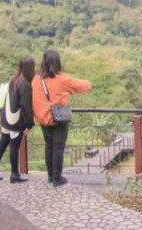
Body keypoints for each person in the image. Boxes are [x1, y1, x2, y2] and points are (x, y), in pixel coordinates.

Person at [32, 50, 91, 187]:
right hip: (59, 118)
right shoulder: (63, 78)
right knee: (58, 148)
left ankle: (51, 176)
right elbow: (84, 85)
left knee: (49, 147)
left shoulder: (36, 79)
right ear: (57, 62)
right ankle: (57, 179)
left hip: (43, 118)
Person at [0, 56, 35, 183]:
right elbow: (26, 106)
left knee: (3, 143)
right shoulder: (25, 84)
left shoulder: (14, 79)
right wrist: (29, 123)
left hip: (6, 117)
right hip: (16, 120)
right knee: (14, 147)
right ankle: (14, 174)